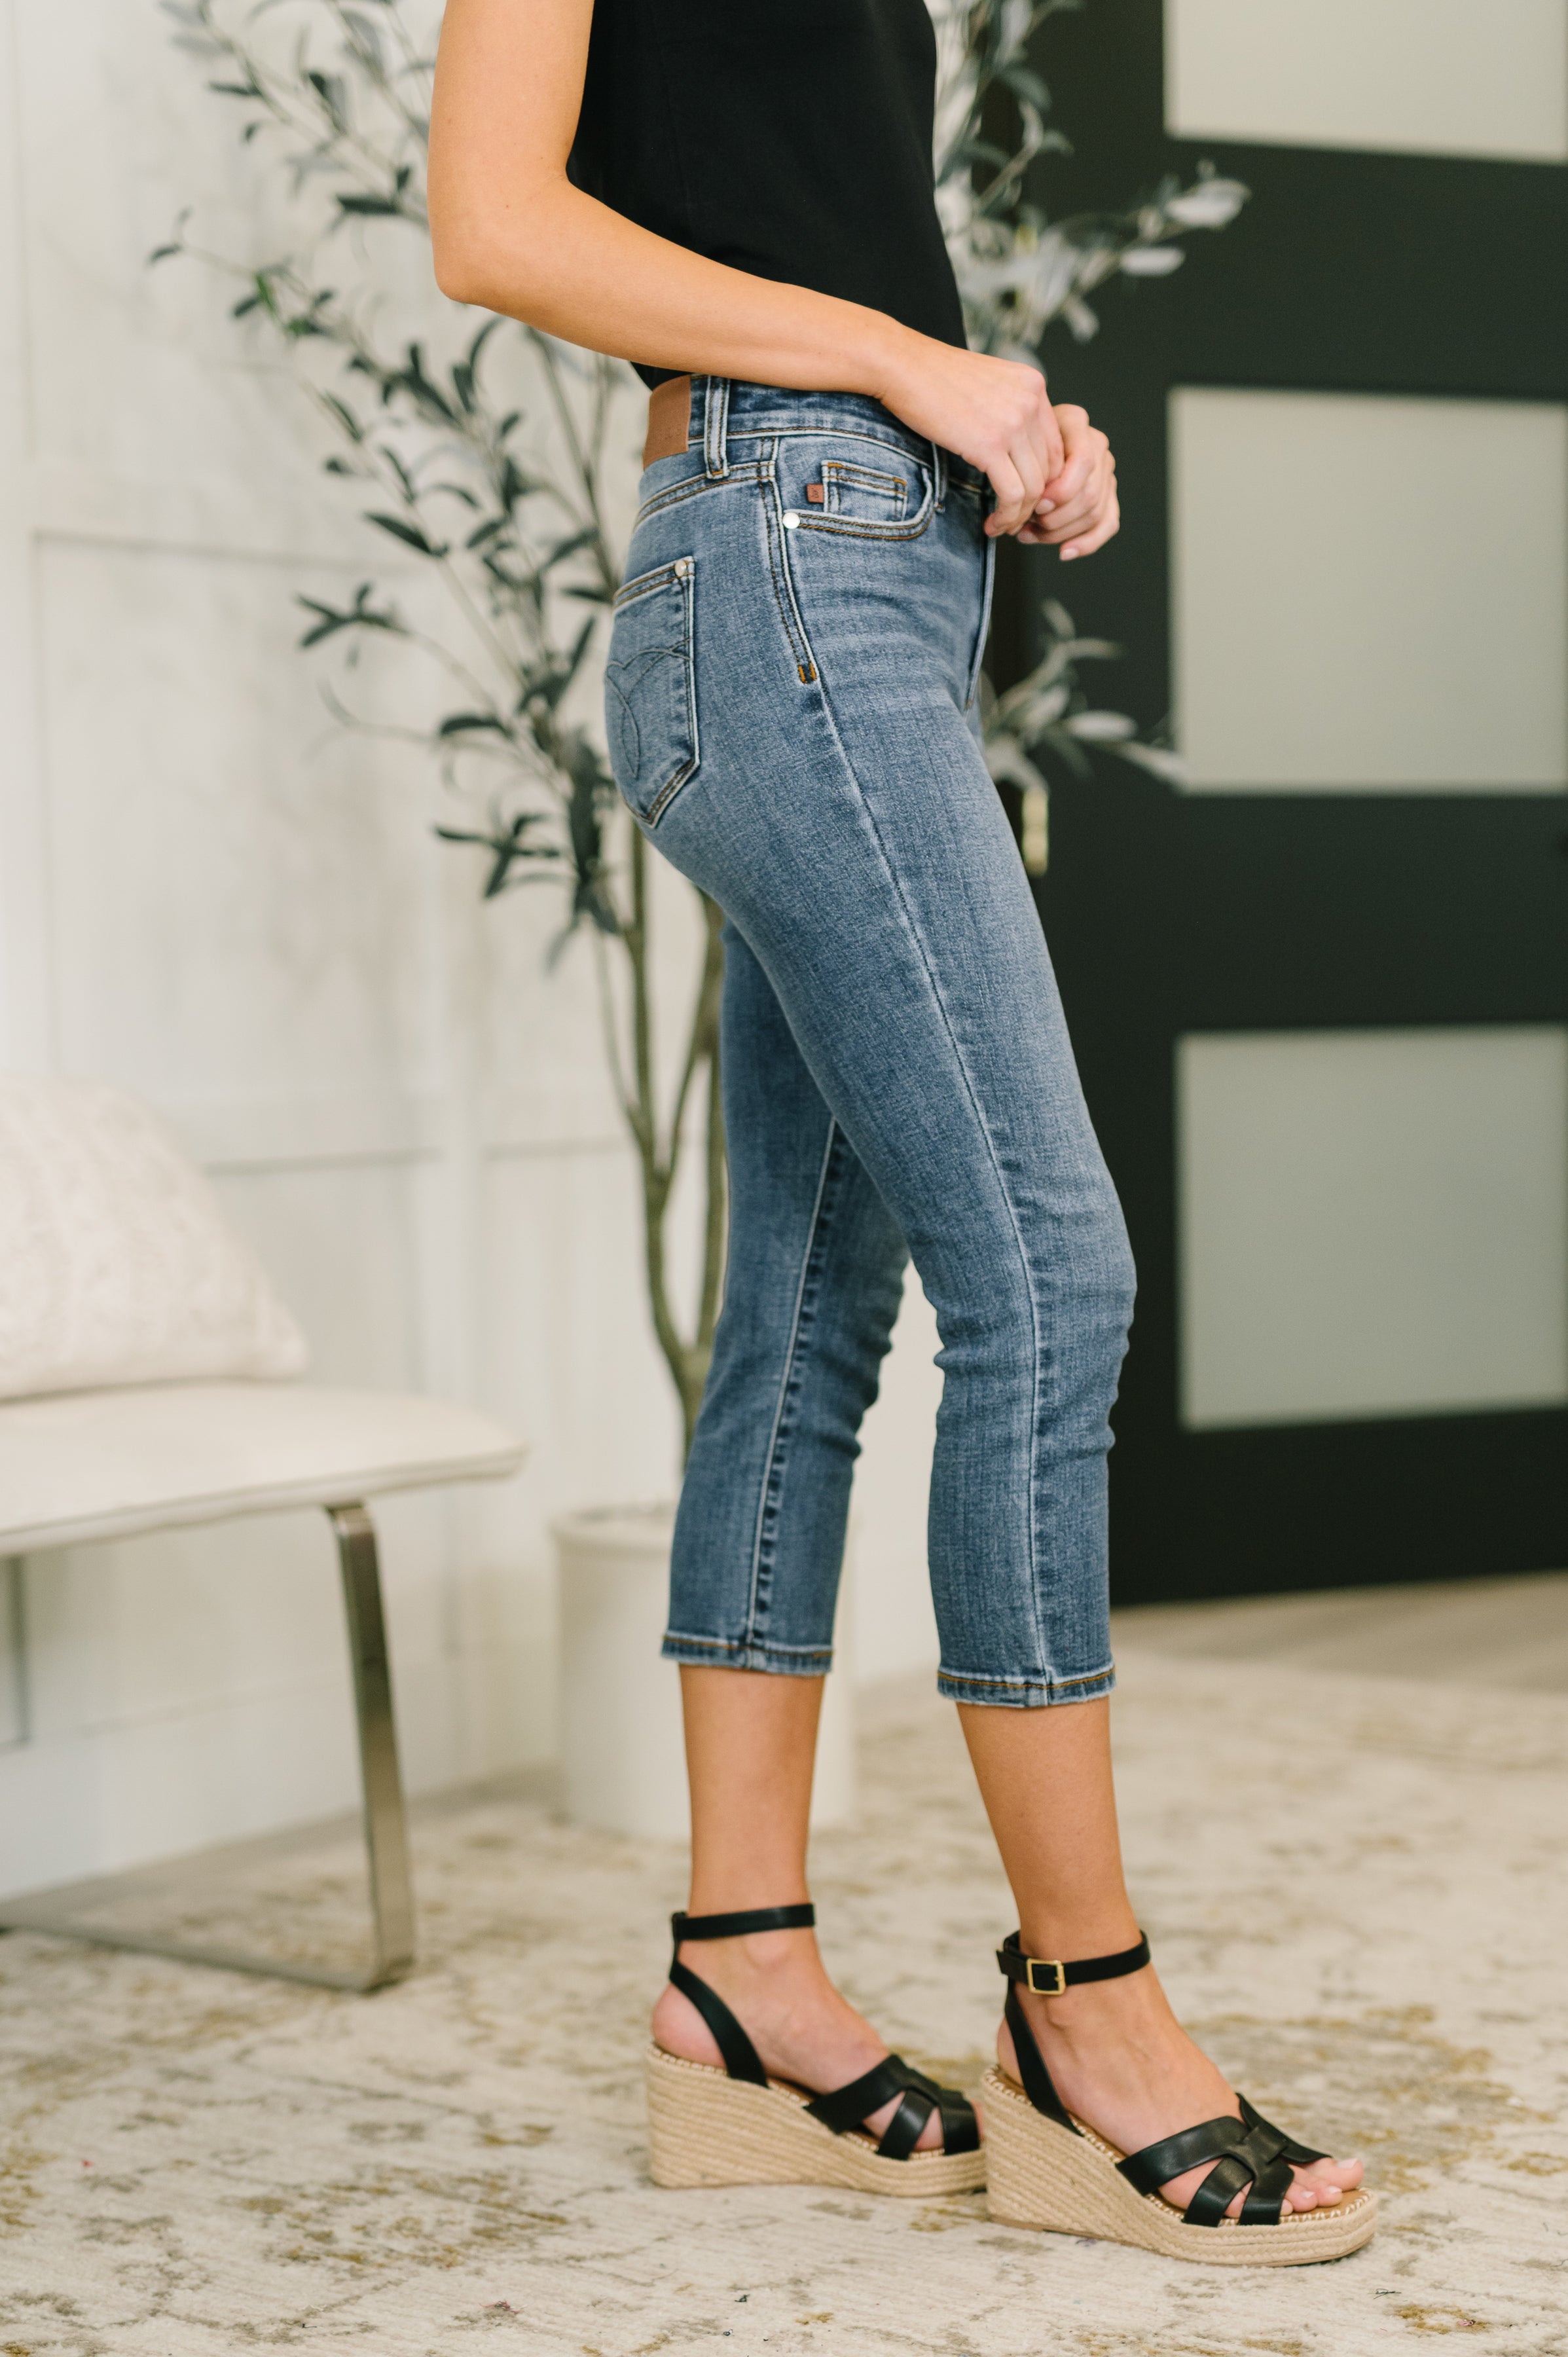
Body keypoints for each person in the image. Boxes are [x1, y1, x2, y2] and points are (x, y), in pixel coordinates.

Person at [428, 0, 1374, 2263]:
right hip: (781, 561)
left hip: (869, 566)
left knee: (807, 1314)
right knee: (1047, 1278)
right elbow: (493, 223)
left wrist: (992, 424)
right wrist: (901, 369)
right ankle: (1088, 2013)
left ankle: (739, 1981)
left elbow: (794, 209)